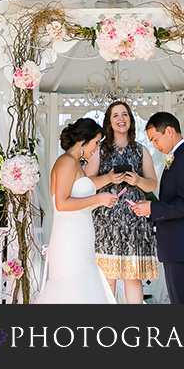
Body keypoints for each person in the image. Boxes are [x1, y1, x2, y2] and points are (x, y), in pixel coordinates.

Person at [34, 118, 119, 304]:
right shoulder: (66, 162)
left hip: (82, 240)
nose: (96, 148)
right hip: (69, 242)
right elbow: (62, 204)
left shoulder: (76, 164)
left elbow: (81, 197)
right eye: (96, 143)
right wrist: (98, 198)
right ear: (82, 142)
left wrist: (105, 193)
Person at [86, 101, 159, 304]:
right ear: (109, 122)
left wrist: (138, 181)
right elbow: (87, 182)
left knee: (132, 275)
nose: (121, 119)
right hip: (105, 220)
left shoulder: (141, 150)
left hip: (134, 219)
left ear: (131, 120)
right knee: (107, 276)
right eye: (116, 115)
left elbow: (152, 184)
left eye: (125, 114)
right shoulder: (99, 150)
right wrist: (108, 179)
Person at [132, 111, 184, 304]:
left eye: (156, 139)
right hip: (178, 248)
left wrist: (153, 209)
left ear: (169, 131)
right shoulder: (179, 157)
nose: (155, 146)